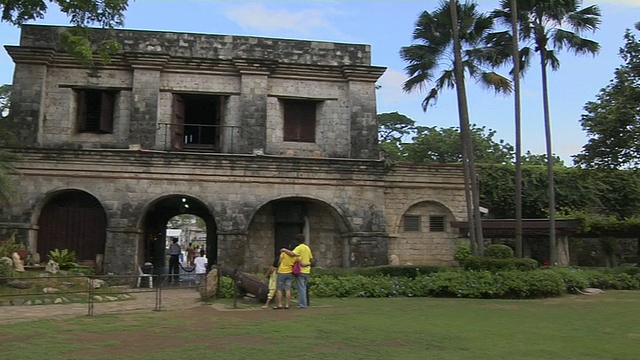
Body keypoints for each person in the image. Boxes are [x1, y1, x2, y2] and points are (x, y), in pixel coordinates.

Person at [282, 234, 313, 308]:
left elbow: (292, 253)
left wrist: (284, 250)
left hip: (301, 270)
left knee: (301, 288)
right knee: (304, 288)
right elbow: (310, 258)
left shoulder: (299, 248)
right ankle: (304, 303)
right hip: (307, 270)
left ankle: (302, 304)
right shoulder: (307, 248)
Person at [274, 245, 297, 310]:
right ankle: (287, 304)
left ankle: (280, 304)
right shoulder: (295, 256)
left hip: (282, 272)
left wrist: (277, 267)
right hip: (290, 272)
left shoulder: (283, 254)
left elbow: (279, 262)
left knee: (279, 289)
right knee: (288, 289)